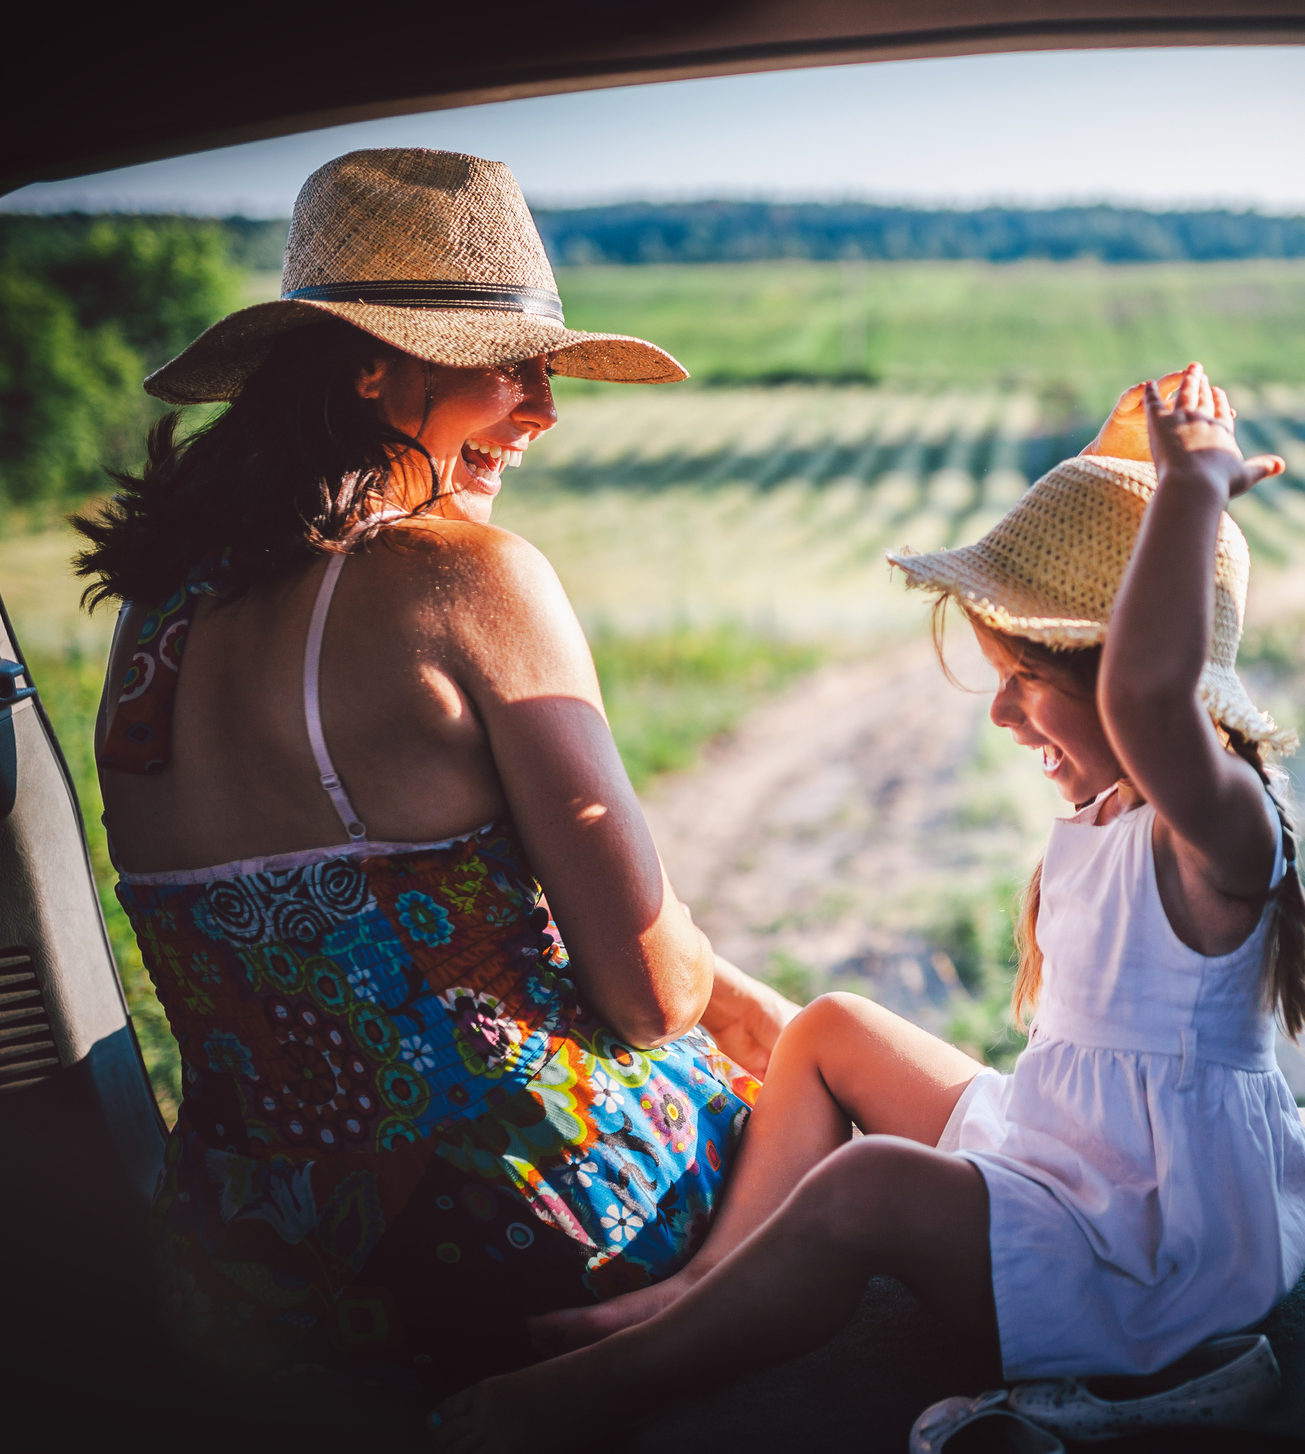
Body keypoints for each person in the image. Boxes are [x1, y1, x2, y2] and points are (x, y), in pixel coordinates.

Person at [429, 362, 1305, 1452]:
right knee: (829, 1027)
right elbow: (1131, 688)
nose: (1000, 709)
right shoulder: (1114, 807)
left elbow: (1148, 692)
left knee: (864, 1183)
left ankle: (597, 1388)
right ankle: (705, 1284)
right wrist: (1129, 473)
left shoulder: (1219, 832)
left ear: (1111, 669)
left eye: (1025, 675)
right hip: (1074, 1153)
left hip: (1146, 1249)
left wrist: (1191, 489)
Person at [74, 148, 796, 1389]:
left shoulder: (157, 621)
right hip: (521, 1229)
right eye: (510, 367)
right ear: (376, 368)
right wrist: (768, 1026)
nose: (543, 409)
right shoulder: (471, 579)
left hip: (249, 1274)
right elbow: (651, 1000)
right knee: (842, 1099)